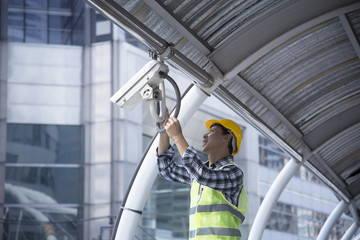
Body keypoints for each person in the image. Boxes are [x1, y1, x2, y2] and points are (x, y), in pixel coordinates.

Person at [157, 113, 247, 240]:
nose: (205, 135)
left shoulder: (234, 173)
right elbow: (166, 169)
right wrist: (163, 130)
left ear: (227, 138)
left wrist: (177, 137)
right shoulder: (198, 175)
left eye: (211, 131)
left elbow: (203, 174)